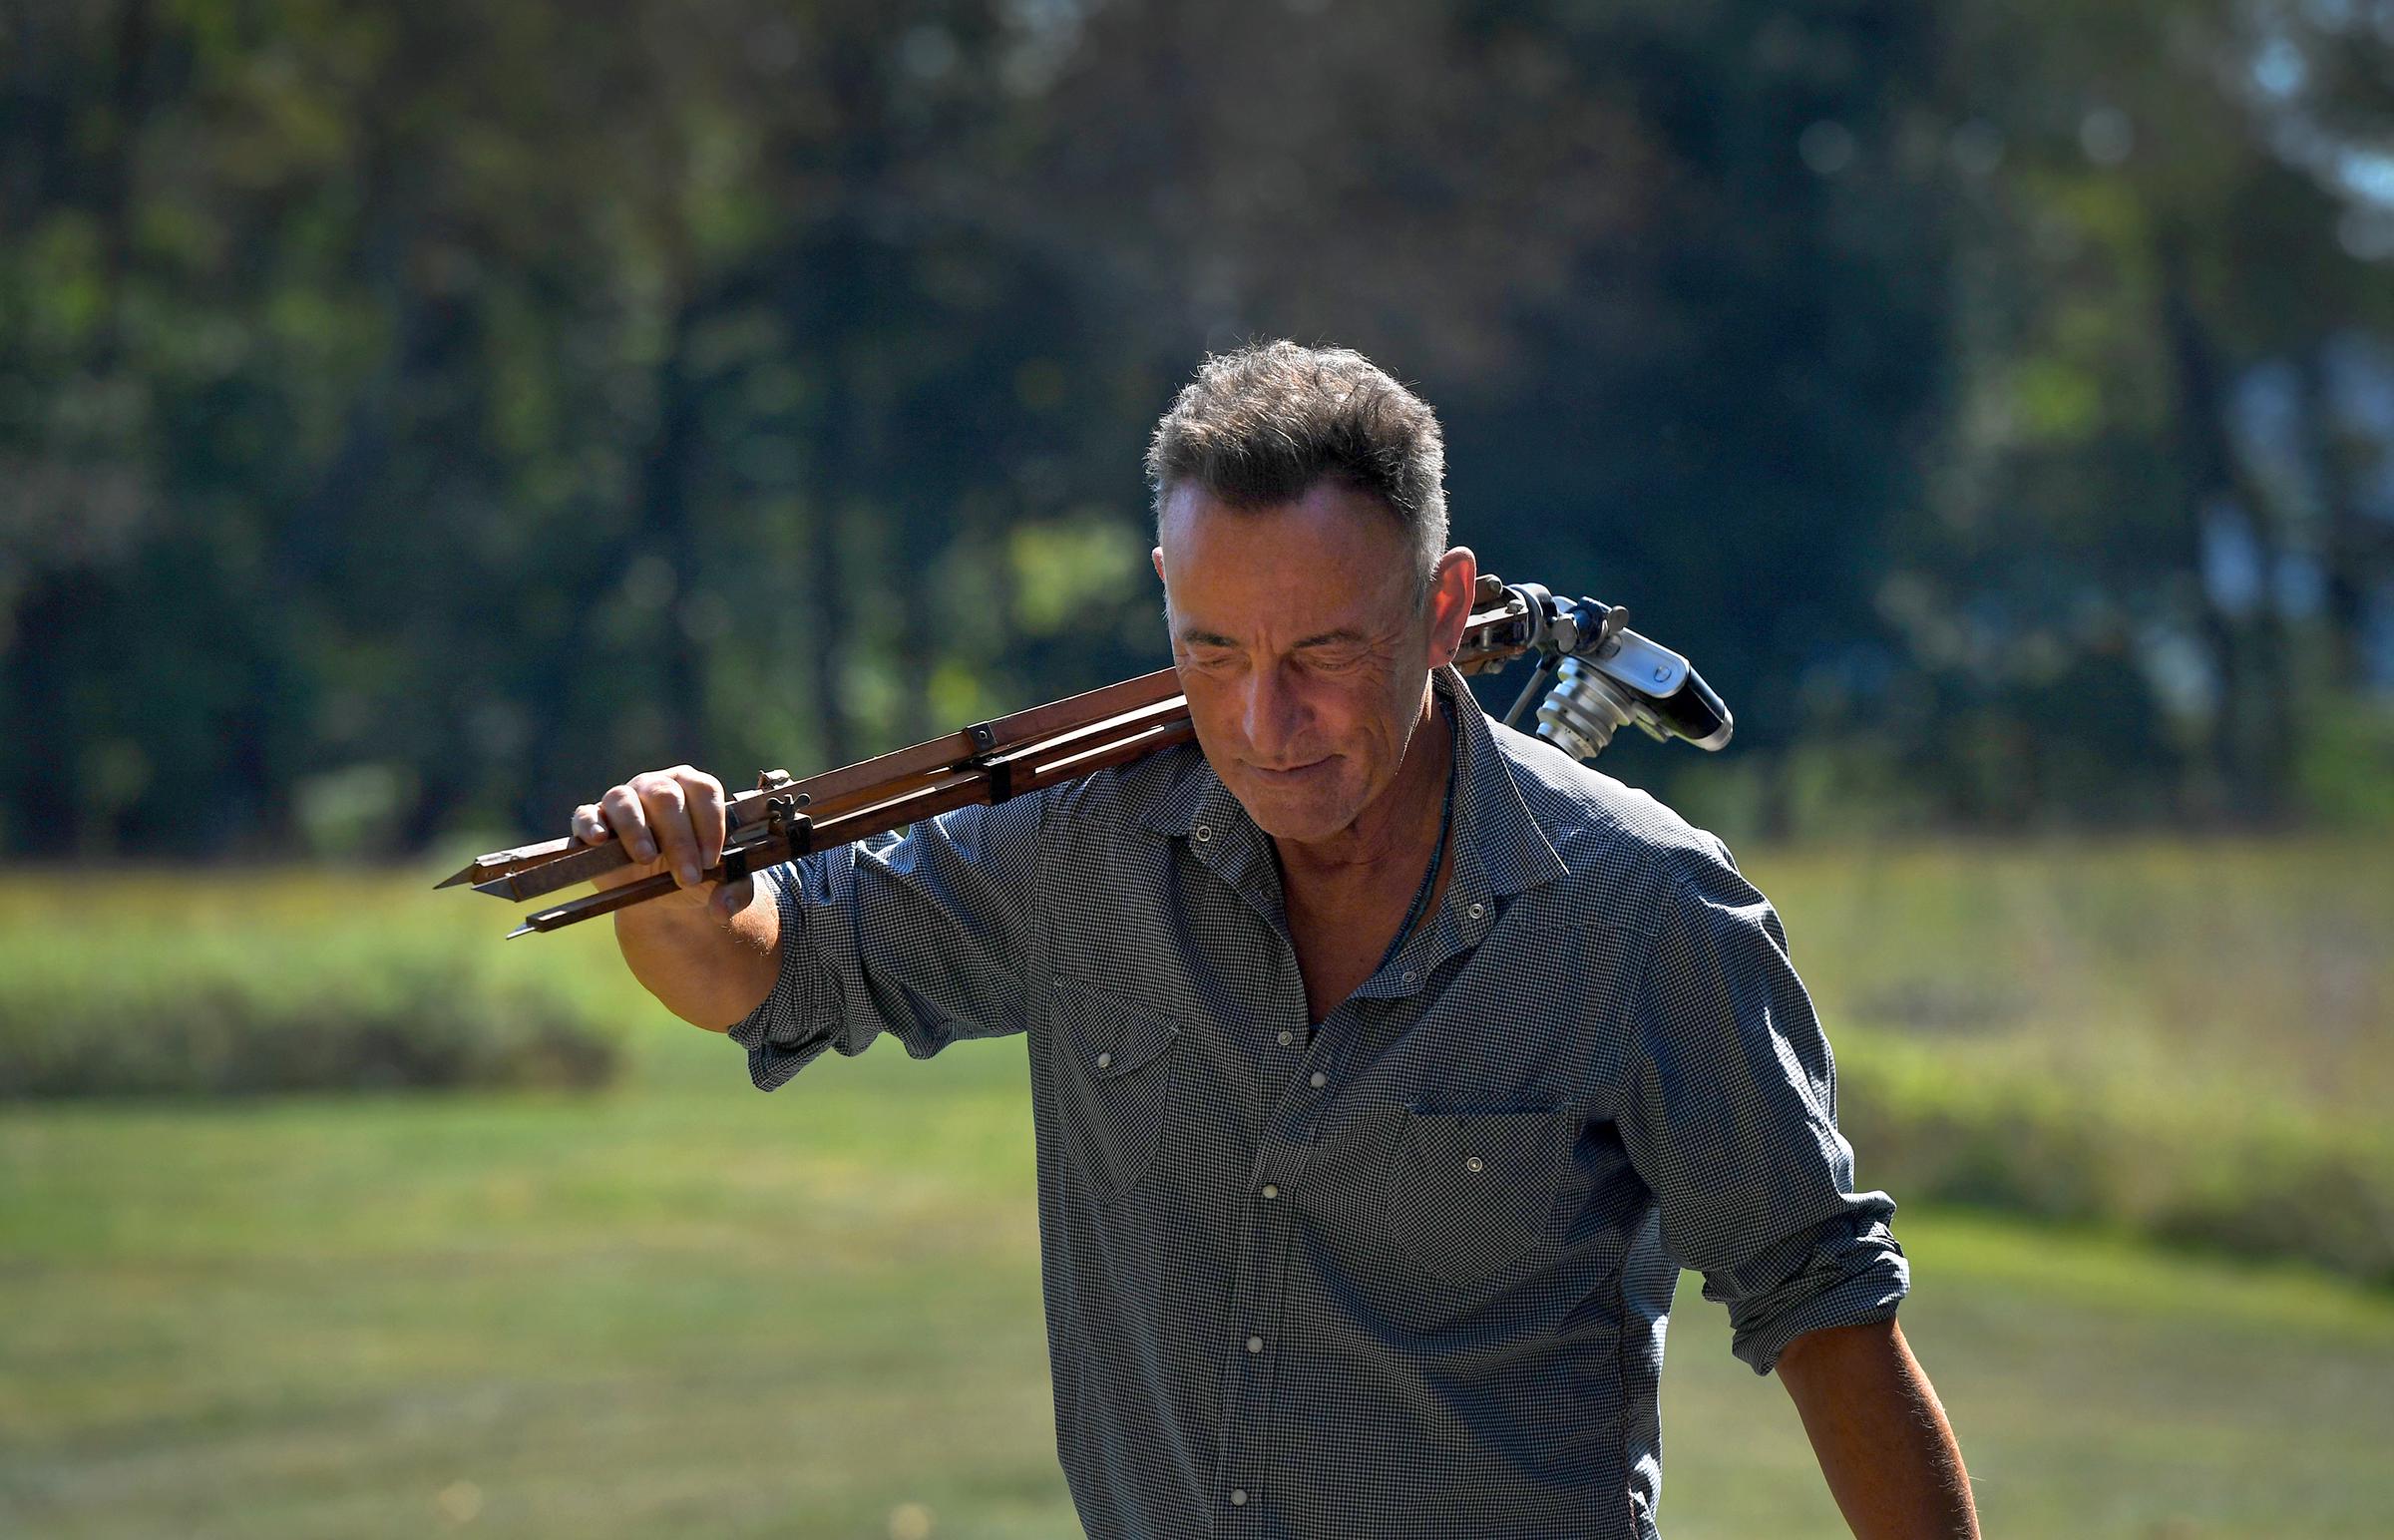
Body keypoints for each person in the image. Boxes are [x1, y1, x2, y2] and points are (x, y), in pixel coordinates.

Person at [583, 341, 1978, 1539]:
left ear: (1443, 610)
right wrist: (672, 887)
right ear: (1163, 598)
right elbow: (762, 973)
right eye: (1214, 652)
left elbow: (1832, 1327)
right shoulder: (1079, 840)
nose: (1265, 724)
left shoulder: (1645, 913)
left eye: (1322, 655)